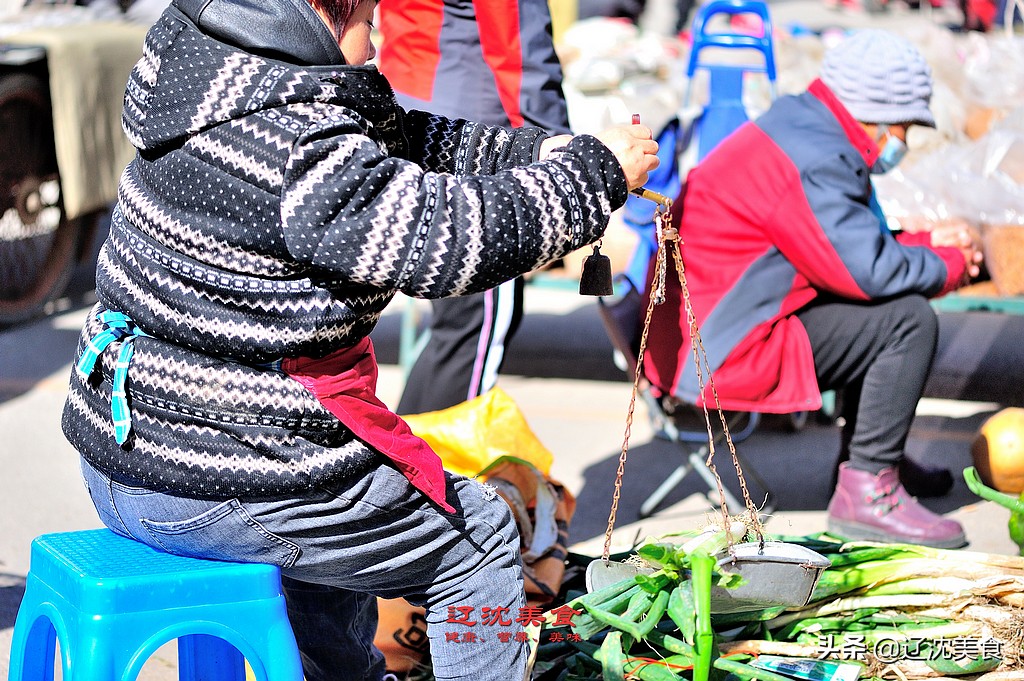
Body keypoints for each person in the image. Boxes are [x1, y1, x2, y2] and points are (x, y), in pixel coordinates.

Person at [59, 1, 660, 680]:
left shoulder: (212, 64)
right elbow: (448, 242)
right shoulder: (298, 144)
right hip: (209, 472)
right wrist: (593, 178)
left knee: (342, 538)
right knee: (481, 540)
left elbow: (392, 143)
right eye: (367, 16)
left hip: (125, 451)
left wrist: (538, 151)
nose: (378, 36)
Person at [641, 29, 983, 550]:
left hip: (702, 333)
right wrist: (951, 262)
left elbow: (837, 244)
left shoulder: (804, 125)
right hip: (718, 350)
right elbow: (868, 271)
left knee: (880, 307)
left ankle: (870, 461)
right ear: (880, 115)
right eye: (906, 127)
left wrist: (923, 242)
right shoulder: (818, 155)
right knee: (908, 319)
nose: (905, 143)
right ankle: (868, 489)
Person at [376, 0, 571, 416]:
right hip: (468, 132)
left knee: (457, 325)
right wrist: (560, 165)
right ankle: (435, 473)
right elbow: (520, 49)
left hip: (409, 100)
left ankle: (409, 460)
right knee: (475, 326)